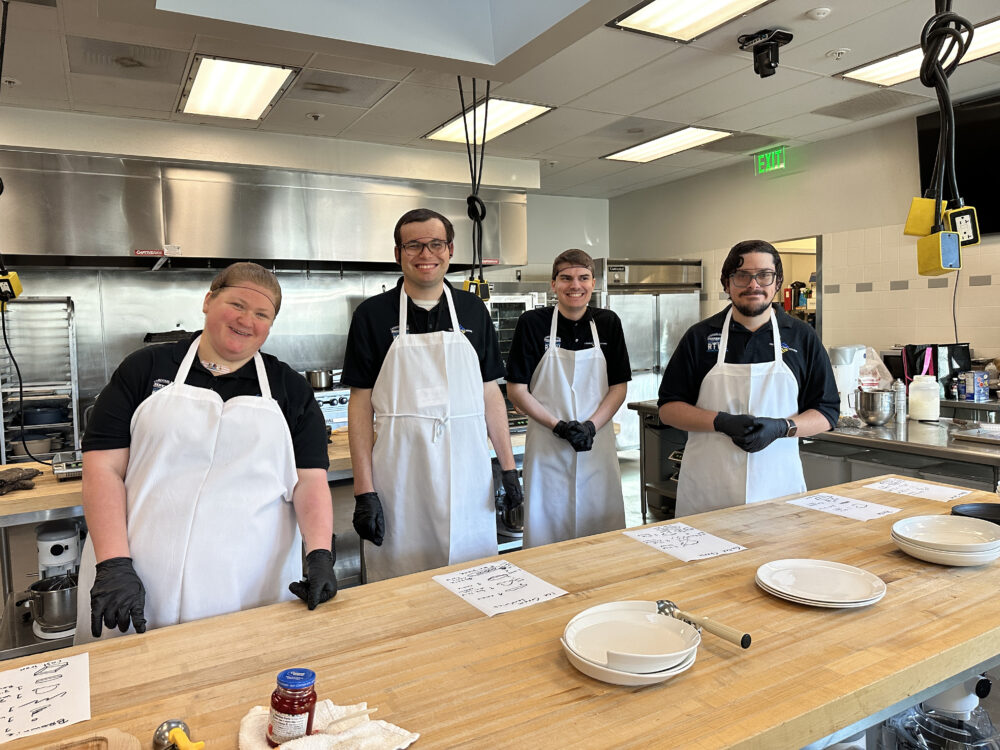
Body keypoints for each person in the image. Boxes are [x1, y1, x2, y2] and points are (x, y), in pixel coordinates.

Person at [76, 262, 337, 643]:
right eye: (237, 305)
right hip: (140, 575)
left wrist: (319, 554)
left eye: (262, 314)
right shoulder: (145, 367)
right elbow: (103, 468)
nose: (247, 320)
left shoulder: (290, 388)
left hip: (247, 581)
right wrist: (114, 563)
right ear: (208, 300)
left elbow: (310, 480)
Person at [341, 208, 522, 581]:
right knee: (402, 580)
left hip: (467, 469)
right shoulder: (371, 316)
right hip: (400, 471)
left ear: (450, 249)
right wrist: (364, 491)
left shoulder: (473, 311)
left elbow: (491, 393)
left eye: (436, 244)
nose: (426, 254)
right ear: (398, 253)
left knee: (472, 575)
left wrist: (508, 469)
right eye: (414, 245)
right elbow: (360, 405)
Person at [658, 240, 839, 517]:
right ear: (726, 283)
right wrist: (720, 421)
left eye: (764, 275)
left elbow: (827, 413)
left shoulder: (802, 337)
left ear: (777, 282)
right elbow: (669, 409)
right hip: (709, 492)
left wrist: (782, 427)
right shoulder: (700, 336)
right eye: (742, 275)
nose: (753, 284)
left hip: (778, 490)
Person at [505, 249, 630, 547]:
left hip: (596, 443)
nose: (575, 285)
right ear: (553, 284)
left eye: (583, 277)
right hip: (548, 444)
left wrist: (590, 426)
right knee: (548, 526)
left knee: (601, 527)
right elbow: (516, 389)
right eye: (566, 278)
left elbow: (619, 386)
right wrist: (558, 425)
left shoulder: (608, 322)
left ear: (593, 282)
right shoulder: (532, 323)